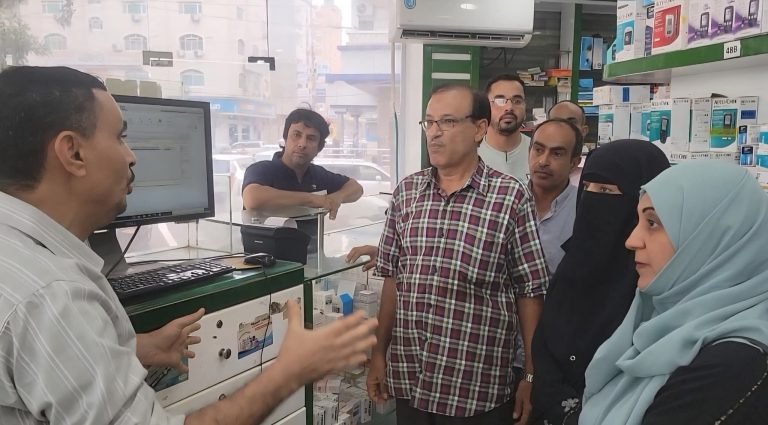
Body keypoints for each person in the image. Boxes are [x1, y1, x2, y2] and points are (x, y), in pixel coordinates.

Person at [0, 66, 378, 425]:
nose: (131, 156)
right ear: (73, 152)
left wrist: (132, 348)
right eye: (119, 137)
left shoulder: (21, 260)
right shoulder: (53, 297)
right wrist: (291, 371)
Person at [367, 84, 549, 425]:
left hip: (475, 389)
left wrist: (530, 372)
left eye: (448, 122)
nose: (434, 133)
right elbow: (392, 279)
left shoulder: (509, 198)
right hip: (411, 379)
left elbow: (530, 291)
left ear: (479, 129)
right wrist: (379, 352)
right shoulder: (407, 193)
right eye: (429, 122)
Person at [580, 160, 768, 425]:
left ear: (711, 238)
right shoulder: (662, 324)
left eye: (653, 223)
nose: (632, 240)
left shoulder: (732, 366)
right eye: (639, 221)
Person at [530, 139, 670, 425]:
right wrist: (559, 405)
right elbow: (545, 343)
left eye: (606, 190)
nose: (592, 197)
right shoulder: (574, 262)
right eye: (587, 187)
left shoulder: (657, 280)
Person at [241, 108, 363, 219]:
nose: (302, 144)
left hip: (312, 238)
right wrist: (312, 199)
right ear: (285, 139)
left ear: (319, 147)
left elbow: (356, 188)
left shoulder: (318, 175)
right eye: (296, 135)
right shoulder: (262, 169)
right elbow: (252, 199)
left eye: (311, 138)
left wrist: (337, 198)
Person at [527, 118, 582, 272]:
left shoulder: (584, 208)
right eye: (538, 150)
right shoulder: (507, 200)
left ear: (574, 163)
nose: (543, 161)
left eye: (557, 154)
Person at [479, 74, 530, 181]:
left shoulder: (538, 152)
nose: (509, 107)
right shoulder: (469, 154)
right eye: (500, 100)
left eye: (517, 101)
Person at [547, 100, 589, 186]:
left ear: (583, 131)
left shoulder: (592, 172)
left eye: (571, 123)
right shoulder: (534, 165)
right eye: (557, 123)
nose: (564, 128)